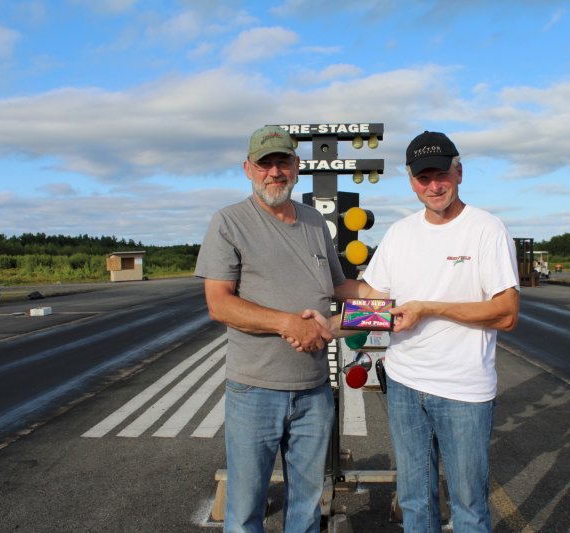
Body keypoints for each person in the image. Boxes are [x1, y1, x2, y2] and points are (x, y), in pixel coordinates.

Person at [290, 130, 520, 532]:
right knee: (415, 502)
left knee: (469, 507)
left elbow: (506, 313)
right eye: (423, 177)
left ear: (459, 172)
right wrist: (329, 325)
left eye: (441, 175)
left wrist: (428, 308)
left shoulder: (486, 230)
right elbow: (376, 302)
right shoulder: (400, 234)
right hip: (405, 386)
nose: (434, 186)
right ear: (411, 181)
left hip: (464, 391)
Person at [194, 125, 353, 532]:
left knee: (307, 507)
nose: (275, 172)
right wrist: (287, 323)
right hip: (255, 392)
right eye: (265, 164)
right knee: (246, 508)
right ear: (248, 169)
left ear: (296, 166)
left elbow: (339, 287)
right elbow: (219, 304)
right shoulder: (229, 222)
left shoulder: (314, 221)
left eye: (283, 162)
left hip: (314, 391)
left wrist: (387, 297)